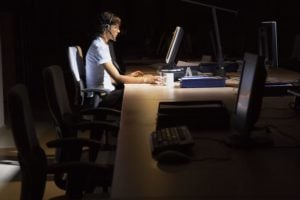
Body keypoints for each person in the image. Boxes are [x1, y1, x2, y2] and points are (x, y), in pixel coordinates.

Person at [85, 11, 161, 109]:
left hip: (106, 92)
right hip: (103, 96)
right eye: (116, 27)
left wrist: (129, 76)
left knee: (139, 89)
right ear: (107, 28)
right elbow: (118, 79)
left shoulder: (102, 44)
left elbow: (111, 78)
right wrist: (146, 79)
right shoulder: (99, 46)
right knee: (141, 93)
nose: (119, 31)